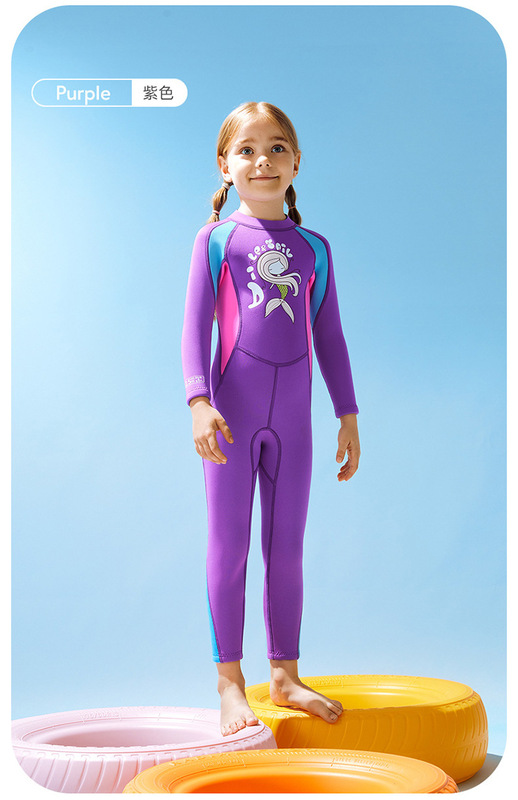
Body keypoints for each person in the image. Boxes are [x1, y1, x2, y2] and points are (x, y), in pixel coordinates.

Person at [181, 101, 361, 736]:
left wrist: (347, 413)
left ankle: (284, 674)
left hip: (295, 424)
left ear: (297, 162)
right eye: (248, 149)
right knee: (229, 546)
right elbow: (193, 328)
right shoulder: (217, 241)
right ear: (225, 166)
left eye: (277, 147)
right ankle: (230, 684)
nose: (263, 160)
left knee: (286, 549)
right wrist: (199, 402)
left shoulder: (315, 249)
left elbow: (330, 336)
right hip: (230, 417)